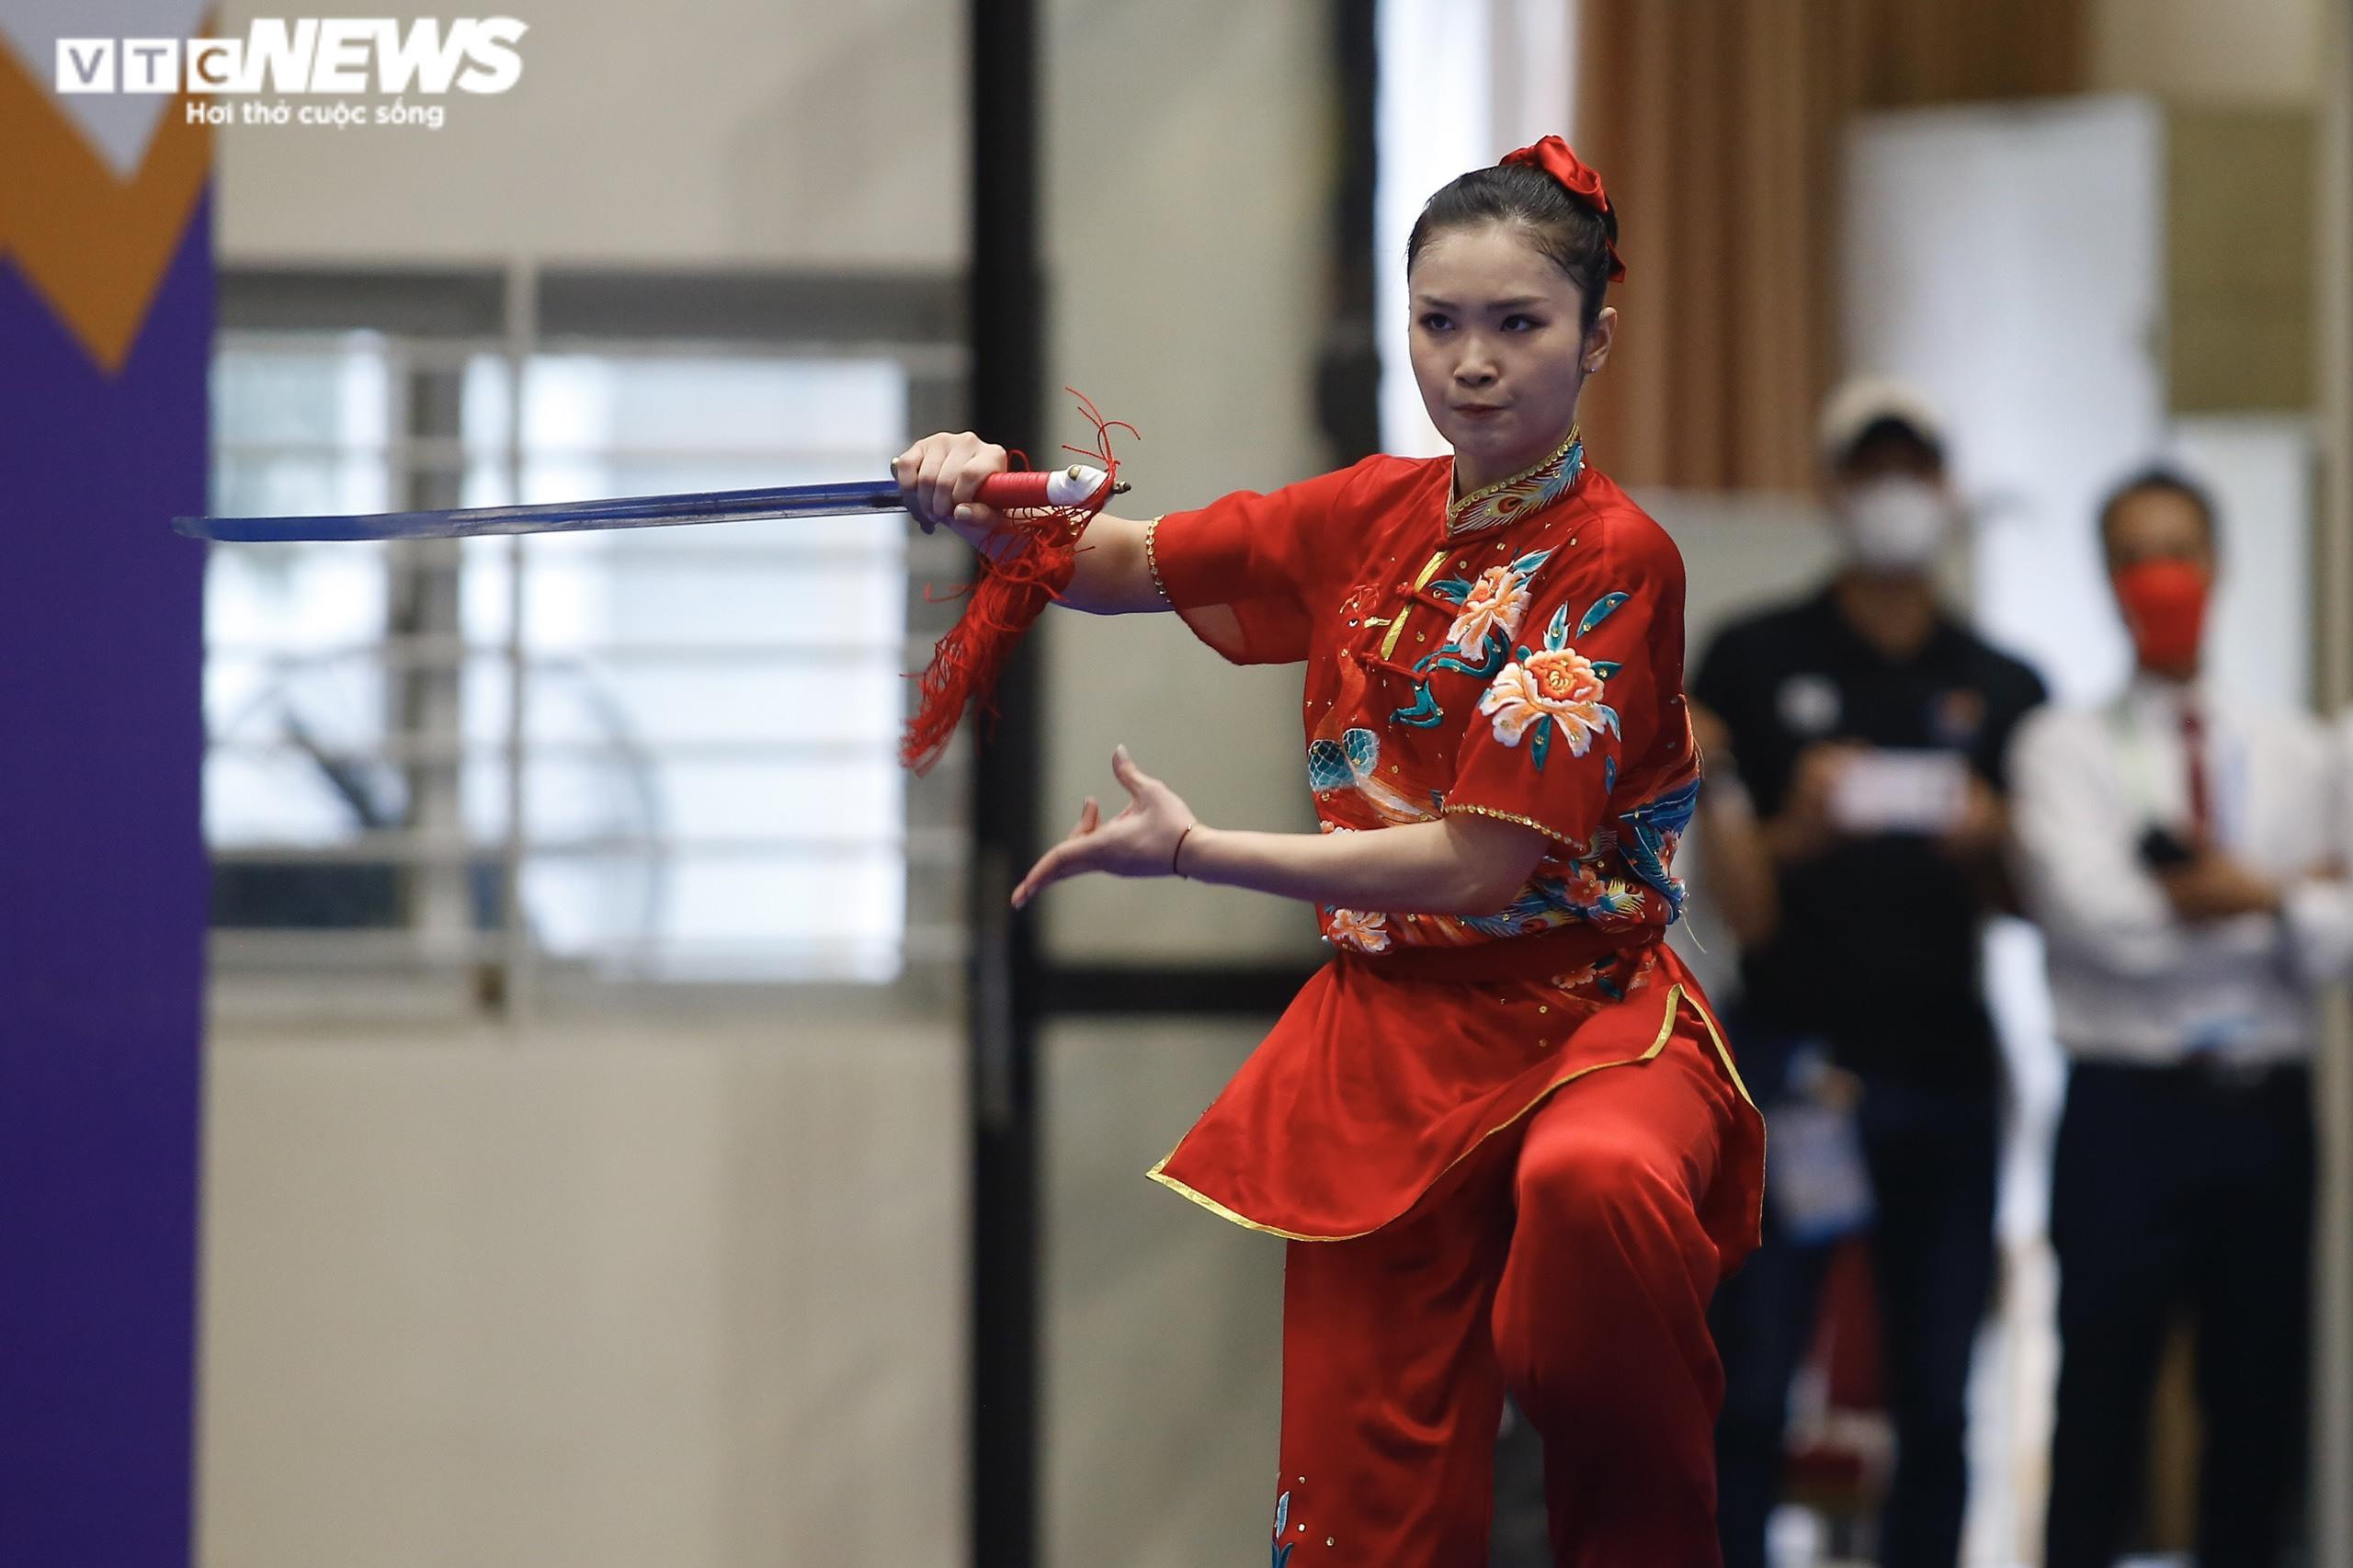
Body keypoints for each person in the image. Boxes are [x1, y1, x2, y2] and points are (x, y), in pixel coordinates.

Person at [895, 136, 1765, 1566]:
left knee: (1593, 1189)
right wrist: (983, 488)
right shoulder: (1371, 511)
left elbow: (1480, 865)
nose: (1471, 362)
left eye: (1519, 323)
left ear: (1597, 338)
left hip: (1588, 1023)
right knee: (1362, 1516)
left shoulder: (1613, 558)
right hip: (1389, 1047)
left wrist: (1198, 853)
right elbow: (1115, 560)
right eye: (1440, 322)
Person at [1691, 381, 2048, 1568]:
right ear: (1833, 489)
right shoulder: (1752, 658)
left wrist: (1991, 835)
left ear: (1945, 490)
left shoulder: (2002, 682)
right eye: (1870, 470)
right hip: (1791, 1059)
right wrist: (1795, 826)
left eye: (1913, 470)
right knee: (1750, 1383)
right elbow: (1735, 902)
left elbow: (2035, 905)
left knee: (1937, 1399)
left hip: (1945, 1063)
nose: (1893, 494)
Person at [2009, 468, 2353, 1568]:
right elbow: (2100, 924)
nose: (2162, 577)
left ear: (2218, 565)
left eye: (2180, 551)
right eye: (2135, 556)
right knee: (2098, 1406)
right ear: (2108, 579)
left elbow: (2339, 942)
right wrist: (2284, 898)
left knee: (2257, 1410)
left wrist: (2249, 899)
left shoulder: (2303, 750)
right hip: (2124, 1109)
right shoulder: (2058, 747)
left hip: (2264, 1112)